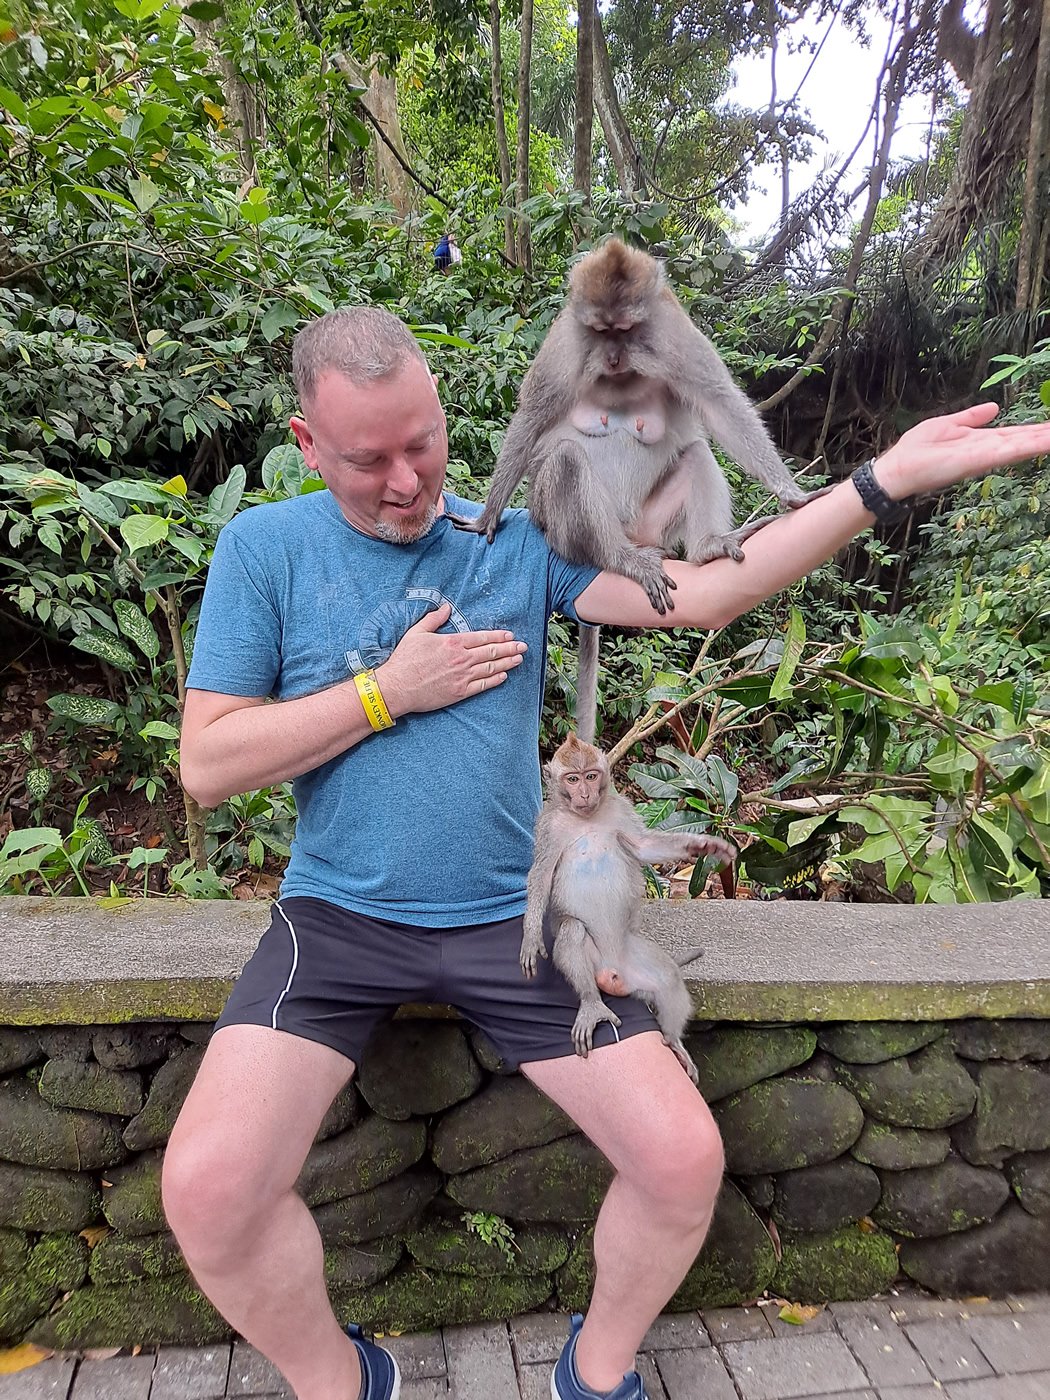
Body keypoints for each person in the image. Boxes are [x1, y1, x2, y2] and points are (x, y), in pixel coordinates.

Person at [166, 305, 1050, 1400]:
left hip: (515, 919)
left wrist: (879, 483)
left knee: (683, 1162)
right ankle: (342, 1380)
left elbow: (711, 589)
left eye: (423, 444)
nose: (406, 481)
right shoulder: (268, 549)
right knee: (208, 1189)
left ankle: (595, 1370)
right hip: (339, 919)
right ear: (306, 444)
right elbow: (207, 762)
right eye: (367, 459)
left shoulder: (512, 540)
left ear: (447, 415)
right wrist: (385, 693)